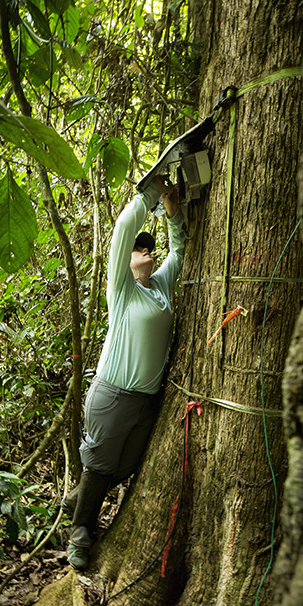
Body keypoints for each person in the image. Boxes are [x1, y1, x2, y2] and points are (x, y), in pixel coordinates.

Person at [64, 175, 185, 570]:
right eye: (139, 248)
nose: (145, 250)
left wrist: (172, 214)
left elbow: (180, 251)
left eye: (149, 247)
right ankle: (80, 535)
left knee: (127, 465)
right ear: (128, 259)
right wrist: (152, 193)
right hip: (112, 395)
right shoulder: (122, 290)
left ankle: (79, 496)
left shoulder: (161, 287)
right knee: (100, 465)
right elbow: (122, 229)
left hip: (147, 401)